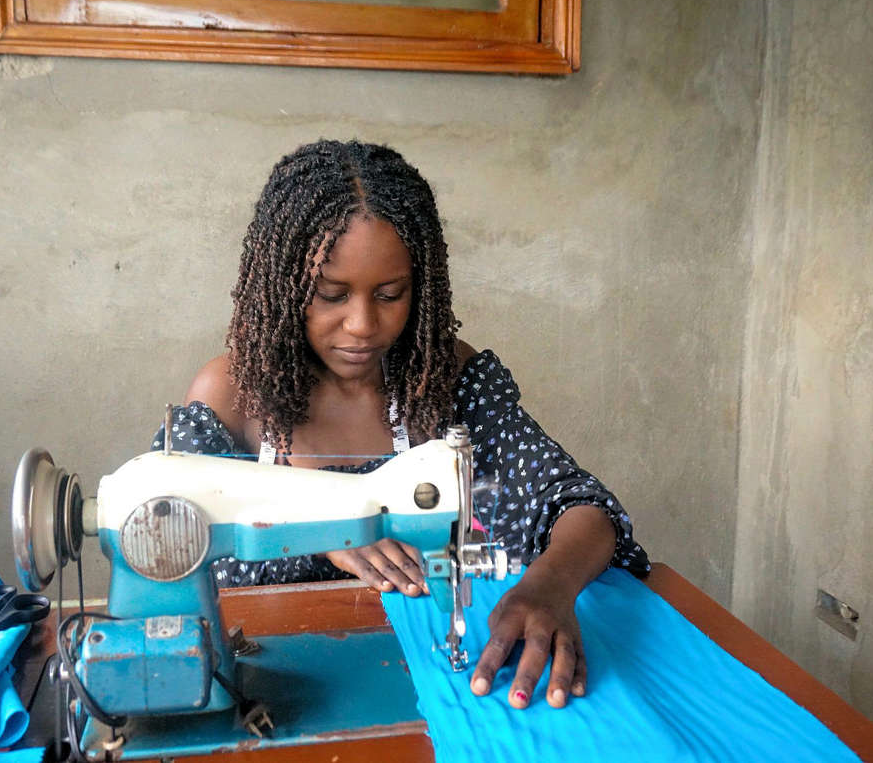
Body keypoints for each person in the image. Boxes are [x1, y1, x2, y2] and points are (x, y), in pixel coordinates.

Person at [151, 139, 650, 711]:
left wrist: (549, 587)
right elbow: (171, 547)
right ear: (282, 284)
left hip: (424, 678)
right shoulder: (233, 397)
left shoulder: (444, 380)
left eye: (390, 294)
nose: (362, 324)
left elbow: (580, 507)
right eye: (331, 295)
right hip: (284, 680)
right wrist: (320, 533)